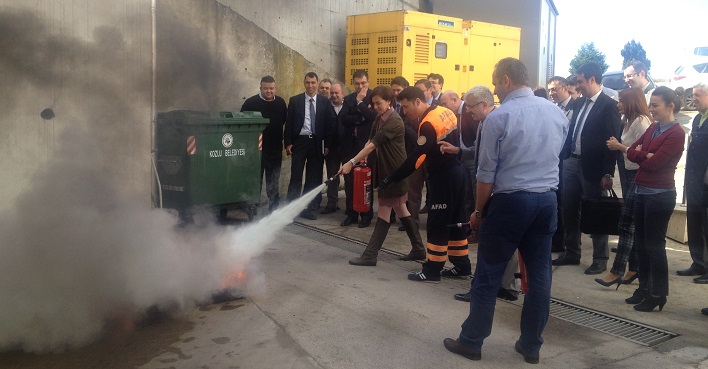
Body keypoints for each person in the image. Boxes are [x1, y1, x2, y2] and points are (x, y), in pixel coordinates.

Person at [443, 57, 568, 364]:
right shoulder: (557, 113)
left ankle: (472, 341)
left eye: (497, 82)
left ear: (507, 80)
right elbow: (558, 155)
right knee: (539, 276)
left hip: (511, 202)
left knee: (488, 273)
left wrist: (479, 212)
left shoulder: (499, 118)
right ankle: (531, 344)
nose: (496, 89)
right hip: (547, 200)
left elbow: (485, 175)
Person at [381, 86, 472, 282]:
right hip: (457, 174)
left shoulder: (428, 124)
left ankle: (432, 269)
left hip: (443, 177)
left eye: (406, 107)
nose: (405, 112)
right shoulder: (445, 111)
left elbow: (417, 157)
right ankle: (462, 266)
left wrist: (393, 177)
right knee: (455, 221)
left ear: (417, 101)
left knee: (438, 222)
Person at [443, 85, 521, 303]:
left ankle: (482, 288)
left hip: (496, 191)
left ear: (484, 104)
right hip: (495, 190)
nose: (467, 111)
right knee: (504, 241)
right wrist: (457, 151)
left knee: (488, 241)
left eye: (470, 106)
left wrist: (480, 206)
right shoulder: (484, 123)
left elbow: (490, 165)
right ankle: (506, 287)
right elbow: (477, 151)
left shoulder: (495, 122)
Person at [340, 85, 426, 265]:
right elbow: (369, 142)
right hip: (389, 173)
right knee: (401, 209)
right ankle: (418, 249)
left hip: (394, 174)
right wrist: (358, 159)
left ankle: (370, 255)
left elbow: (373, 145)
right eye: (373, 103)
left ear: (389, 101)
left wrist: (351, 162)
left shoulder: (394, 121)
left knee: (384, 211)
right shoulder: (380, 119)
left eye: (379, 103)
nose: (375, 107)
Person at [554, 62, 622, 275]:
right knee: (569, 209)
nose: (578, 85)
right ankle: (572, 252)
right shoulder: (579, 103)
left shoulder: (608, 105)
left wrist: (607, 172)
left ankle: (600, 259)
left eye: (581, 81)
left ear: (592, 79)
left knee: (596, 213)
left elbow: (612, 141)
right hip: (571, 162)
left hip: (593, 167)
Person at [622, 86, 685, 312]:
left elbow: (655, 163)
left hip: (660, 195)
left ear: (670, 106)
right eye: (650, 105)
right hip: (642, 191)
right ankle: (644, 288)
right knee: (641, 244)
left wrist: (643, 154)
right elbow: (632, 152)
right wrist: (642, 153)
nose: (651, 109)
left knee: (655, 246)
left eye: (655, 105)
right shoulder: (654, 128)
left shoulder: (677, 133)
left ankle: (658, 293)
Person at [597, 87, 652, 288]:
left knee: (626, 224)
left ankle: (617, 271)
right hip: (628, 173)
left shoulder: (641, 122)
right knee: (631, 224)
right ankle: (633, 268)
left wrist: (619, 147)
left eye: (621, 100)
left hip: (638, 174)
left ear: (630, 102)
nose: (618, 104)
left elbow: (645, 152)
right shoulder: (627, 121)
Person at [284, 72, 336, 220]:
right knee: (296, 176)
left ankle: (306, 209)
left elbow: (329, 125)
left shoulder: (324, 102)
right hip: (300, 142)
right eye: (308, 82)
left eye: (313, 83)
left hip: (316, 143)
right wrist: (288, 143)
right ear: (304, 83)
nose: (310, 85)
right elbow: (289, 123)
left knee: (312, 178)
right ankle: (291, 209)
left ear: (317, 83)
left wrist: (327, 145)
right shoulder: (295, 100)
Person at [240, 76, 288, 212]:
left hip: (275, 149)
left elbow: (284, 120)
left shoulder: (280, 103)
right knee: (254, 180)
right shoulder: (250, 103)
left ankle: (274, 206)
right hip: (255, 151)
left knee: (273, 179)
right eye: (266, 88)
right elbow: (242, 124)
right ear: (260, 88)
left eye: (271, 88)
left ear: (275, 88)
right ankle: (251, 206)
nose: (269, 91)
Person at [677, 83, 708, 290]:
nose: (693, 98)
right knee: (695, 225)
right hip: (693, 182)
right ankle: (698, 263)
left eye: (698, 95)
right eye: (693, 94)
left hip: (706, 183)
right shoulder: (698, 119)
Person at [339, 70, 376, 228]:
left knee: (366, 182)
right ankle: (351, 213)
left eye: (363, 83)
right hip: (350, 146)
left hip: (366, 146)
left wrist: (360, 104)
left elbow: (373, 117)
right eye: (357, 83)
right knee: (349, 182)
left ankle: (366, 214)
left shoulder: (374, 97)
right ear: (353, 83)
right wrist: (361, 116)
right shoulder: (347, 99)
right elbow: (344, 118)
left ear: (368, 82)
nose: (360, 86)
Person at [438, 90, 479, 220]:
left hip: (472, 157)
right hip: (462, 157)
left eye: (445, 104)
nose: (443, 108)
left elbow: (478, 137)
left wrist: (468, 151)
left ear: (455, 100)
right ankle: (467, 224)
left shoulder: (468, 113)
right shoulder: (454, 115)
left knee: (474, 192)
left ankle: (474, 226)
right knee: (467, 193)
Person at [321, 81, 344, 214]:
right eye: (332, 93)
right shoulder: (325, 106)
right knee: (332, 176)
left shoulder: (348, 106)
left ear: (342, 93)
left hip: (346, 148)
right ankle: (331, 204)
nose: (334, 95)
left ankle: (350, 206)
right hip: (331, 149)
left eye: (336, 93)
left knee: (349, 177)